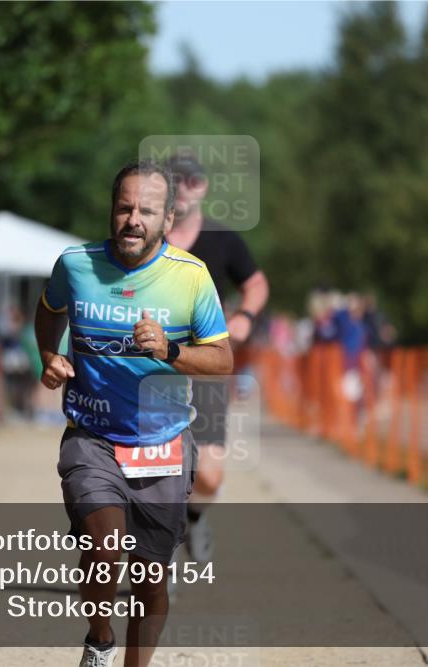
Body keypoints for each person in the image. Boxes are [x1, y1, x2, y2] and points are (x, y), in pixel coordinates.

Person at [35, 158, 232, 667]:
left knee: (149, 582)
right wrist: (49, 356)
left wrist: (168, 351)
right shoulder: (75, 264)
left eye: (146, 210)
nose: (133, 220)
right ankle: (100, 638)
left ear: (168, 220)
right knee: (105, 547)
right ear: (111, 212)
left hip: (162, 442)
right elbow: (49, 308)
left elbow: (222, 360)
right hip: (92, 434)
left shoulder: (191, 278)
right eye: (124, 208)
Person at [164, 154, 269, 563]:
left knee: (208, 476)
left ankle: (195, 517)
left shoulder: (223, 238)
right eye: (176, 180)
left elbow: (256, 284)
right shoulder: (150, 236)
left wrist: (244, 317)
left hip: (207, 366)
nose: (184, 187)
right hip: (154, 368)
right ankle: (161, 555)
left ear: (203, 187)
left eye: (191, 180)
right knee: (158, 468)